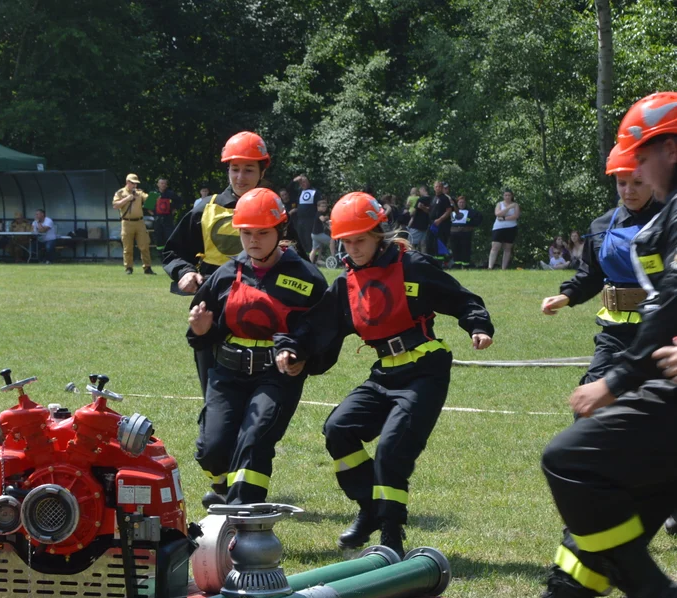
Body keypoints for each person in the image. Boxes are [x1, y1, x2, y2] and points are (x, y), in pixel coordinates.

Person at [486, 92, 677, 598]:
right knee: (603, 497)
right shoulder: (628, 222)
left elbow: (670, 300)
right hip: (635, 354)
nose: (629, 174)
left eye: (636, 161)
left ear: (667, 150)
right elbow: (610, 281)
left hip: (648, 367)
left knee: (582, 469)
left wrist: (620, 378)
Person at [274, 192, 494, 557]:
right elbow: (316, 326)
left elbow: (460, 298)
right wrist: (294, 350)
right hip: (384, 375)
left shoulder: (413, 266)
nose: (353, 248)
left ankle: (391, 535)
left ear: (379, 233)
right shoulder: (346, 285)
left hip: (425, 371)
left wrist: (478, 326)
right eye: (346, 241)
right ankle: (370, 508)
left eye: (361, 239)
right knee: (338, 430)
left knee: (392, 450)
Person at [187, 188, 327, 507]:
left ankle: (243, 517)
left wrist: (303, 358)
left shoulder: (307, 278)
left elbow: (324, 332)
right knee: (212, 450)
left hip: (276, 377)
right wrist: (200, 330)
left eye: (262, 233)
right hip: (227, 374)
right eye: (246, 233)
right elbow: (203, 333)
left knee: (254, 441)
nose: (253, 240)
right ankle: (222, 485)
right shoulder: (224, 275)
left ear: (281, 230)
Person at [162, 131, 281, 396]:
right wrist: (184, 272)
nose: (240, 177)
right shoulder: (205, 209)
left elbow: (297, 261)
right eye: (235, 169)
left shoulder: (276, 211)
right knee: (214, 394)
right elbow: (173, 252)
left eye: (249, 169)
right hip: (212, 312)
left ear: (262, 171)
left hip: (262, 314)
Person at [539, 144, 663, 387]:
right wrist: (566, 296)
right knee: (589, 402)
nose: (629, 191)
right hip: (615, 332)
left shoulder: (669, 221)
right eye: (622, 183)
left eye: (637, 183)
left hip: (662, 330)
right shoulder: (602, 225)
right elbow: (591, 274)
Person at [113, 174, 154, 274]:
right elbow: (115, 205)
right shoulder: (120, 193)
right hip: (127, 223)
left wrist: (154, 197)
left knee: (144, 245)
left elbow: (148, 199)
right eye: (133, 183)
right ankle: (128, 268)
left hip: (140, 222)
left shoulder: (139, 193)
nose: (135, 185)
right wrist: (127, 199)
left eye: (136, 183)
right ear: (127, 182)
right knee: (128, 248)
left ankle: (147, 267)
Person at [488, 189, 520, 269]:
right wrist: (508, 208)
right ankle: (490, 267)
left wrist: (504, 218)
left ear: (512, 196)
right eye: (506, 195)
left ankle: (504, 268)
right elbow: (498, 214)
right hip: (498, 228)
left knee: (507, 248)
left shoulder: (515, 205)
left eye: (509, 195)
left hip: (511, 228)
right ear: (503, 196)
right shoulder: (499, 204)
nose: (507, 197)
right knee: (495, 247)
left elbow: (516, 216)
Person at [290, 174, 319, 260]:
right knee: (300, 238)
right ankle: (302, 256)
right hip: (300, 220)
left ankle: (313, 258)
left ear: (308, 181)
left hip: (310, 220)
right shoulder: (299, 191)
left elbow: (319, 204)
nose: (303, 183)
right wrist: (294, 181)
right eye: (301, 182)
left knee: (309, 239)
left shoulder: (314, 191)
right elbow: (289, 189)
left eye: (305, 181)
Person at [449, 195, 481, 268]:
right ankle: (457, 264)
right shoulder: (451, 211)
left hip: (466, 233)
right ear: (457, 203)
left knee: (465, 249)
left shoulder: (471, 212)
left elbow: (479, 218)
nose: (461, 204)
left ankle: (466, 265)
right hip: (454, 234)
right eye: (460, 202)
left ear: (465, 203)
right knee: (455, 249)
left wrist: (472, 224)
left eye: (463, 202)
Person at [152, 178, 183, 250]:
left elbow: (179, 202)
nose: (163, 185)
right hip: (157, 220)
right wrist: (154, 215)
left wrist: (174, 210)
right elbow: (148, 207)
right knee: (159, 238)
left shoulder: (171, 193)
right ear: (158, 184)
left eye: (164, 183)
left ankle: (170, 253)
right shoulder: (154, 194)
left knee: (170, 237)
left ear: (166, 185)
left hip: (168, 219)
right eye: (161, 183)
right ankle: (161, 256)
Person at [428, 181, 453, 260]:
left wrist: (440, 219)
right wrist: (423, 208)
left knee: (440, 242)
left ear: (442, 188)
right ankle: (433, 260)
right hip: (433, 223)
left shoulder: (445, 198)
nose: (438, 188)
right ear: (434, 188)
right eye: (436, 187)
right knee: (431, 242)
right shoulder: (433, 198)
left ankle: (441, 262)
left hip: (442, 224)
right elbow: (431, 211)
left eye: (439, 187)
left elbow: (448, 211)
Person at [406, 185, 431, 251]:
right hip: (426, 225)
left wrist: (410, 213)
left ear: (423, 190)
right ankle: (423, 257)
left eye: (420, 191)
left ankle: (412, 257)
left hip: (417, 225)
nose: (419, 192)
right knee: (423, 244)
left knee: (410, 243)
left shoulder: (420, 199)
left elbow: (413, 211)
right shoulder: (432, 199)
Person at [311, 198, 333, 264]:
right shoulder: (318, 213)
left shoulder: (320, 213)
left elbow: (326, 224)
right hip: (317, 234)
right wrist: (327, 218)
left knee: (315, 249)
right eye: (322, 206)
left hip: (314, 235)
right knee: (332, 240)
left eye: (325, 206)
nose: (324, 208)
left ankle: (313, 261)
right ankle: (333, 256)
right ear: (318, 207)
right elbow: (323, 219)